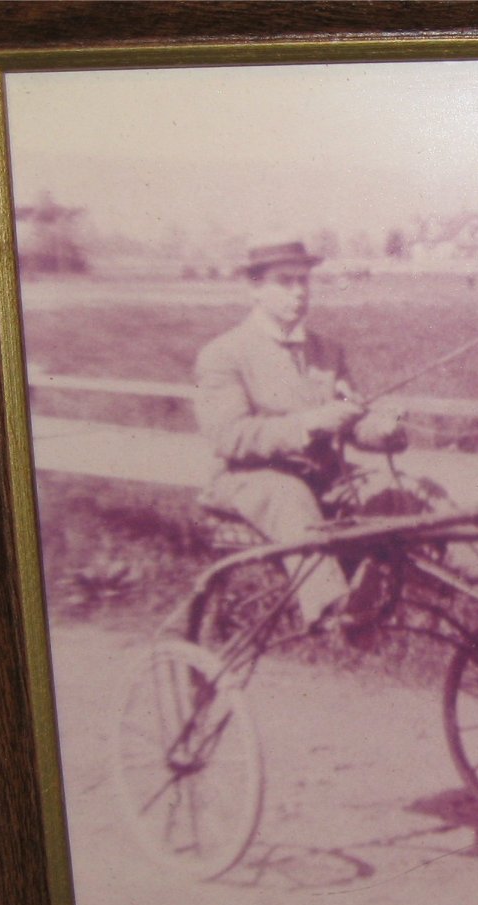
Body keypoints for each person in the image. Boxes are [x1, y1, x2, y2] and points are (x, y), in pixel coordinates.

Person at [195, 238, 407, 631]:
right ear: (255, 288)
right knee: (289, 497)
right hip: (250, 479)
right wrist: (309, 424)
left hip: (325, 477)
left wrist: (382, 429)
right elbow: (229, 437)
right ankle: (331, 606)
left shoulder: (327, 351)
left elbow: (352, 416)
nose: (299, 291)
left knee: (400, 488)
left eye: (304, 280)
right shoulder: (224, 354)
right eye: (285, 281)